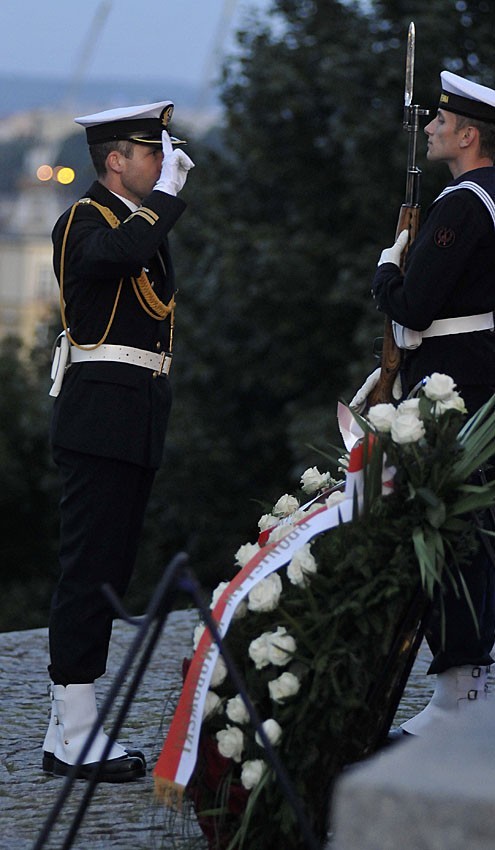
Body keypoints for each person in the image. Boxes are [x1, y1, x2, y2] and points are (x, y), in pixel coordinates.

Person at [43, 100, 194, 781]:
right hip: (100, 412)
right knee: (88, 571)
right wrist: (164, 200)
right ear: (115, 161)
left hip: (132, 412)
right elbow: (122, 254)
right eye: (151, 153)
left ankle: (64, 727)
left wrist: (157, 203)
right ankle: (75, 734)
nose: (163, 165)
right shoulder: (84, 219)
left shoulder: (136, 225)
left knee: (109, 569)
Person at [370, 71, 495, 736]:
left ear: (467, 135)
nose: (427, 128)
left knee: (452, 534)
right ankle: (465, 691)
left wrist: (386, 271)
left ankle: (459, 700)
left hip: (454, 384)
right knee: (472, 533)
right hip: (479, 377)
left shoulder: (462, 204)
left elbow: (414, 307)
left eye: (438, 121)